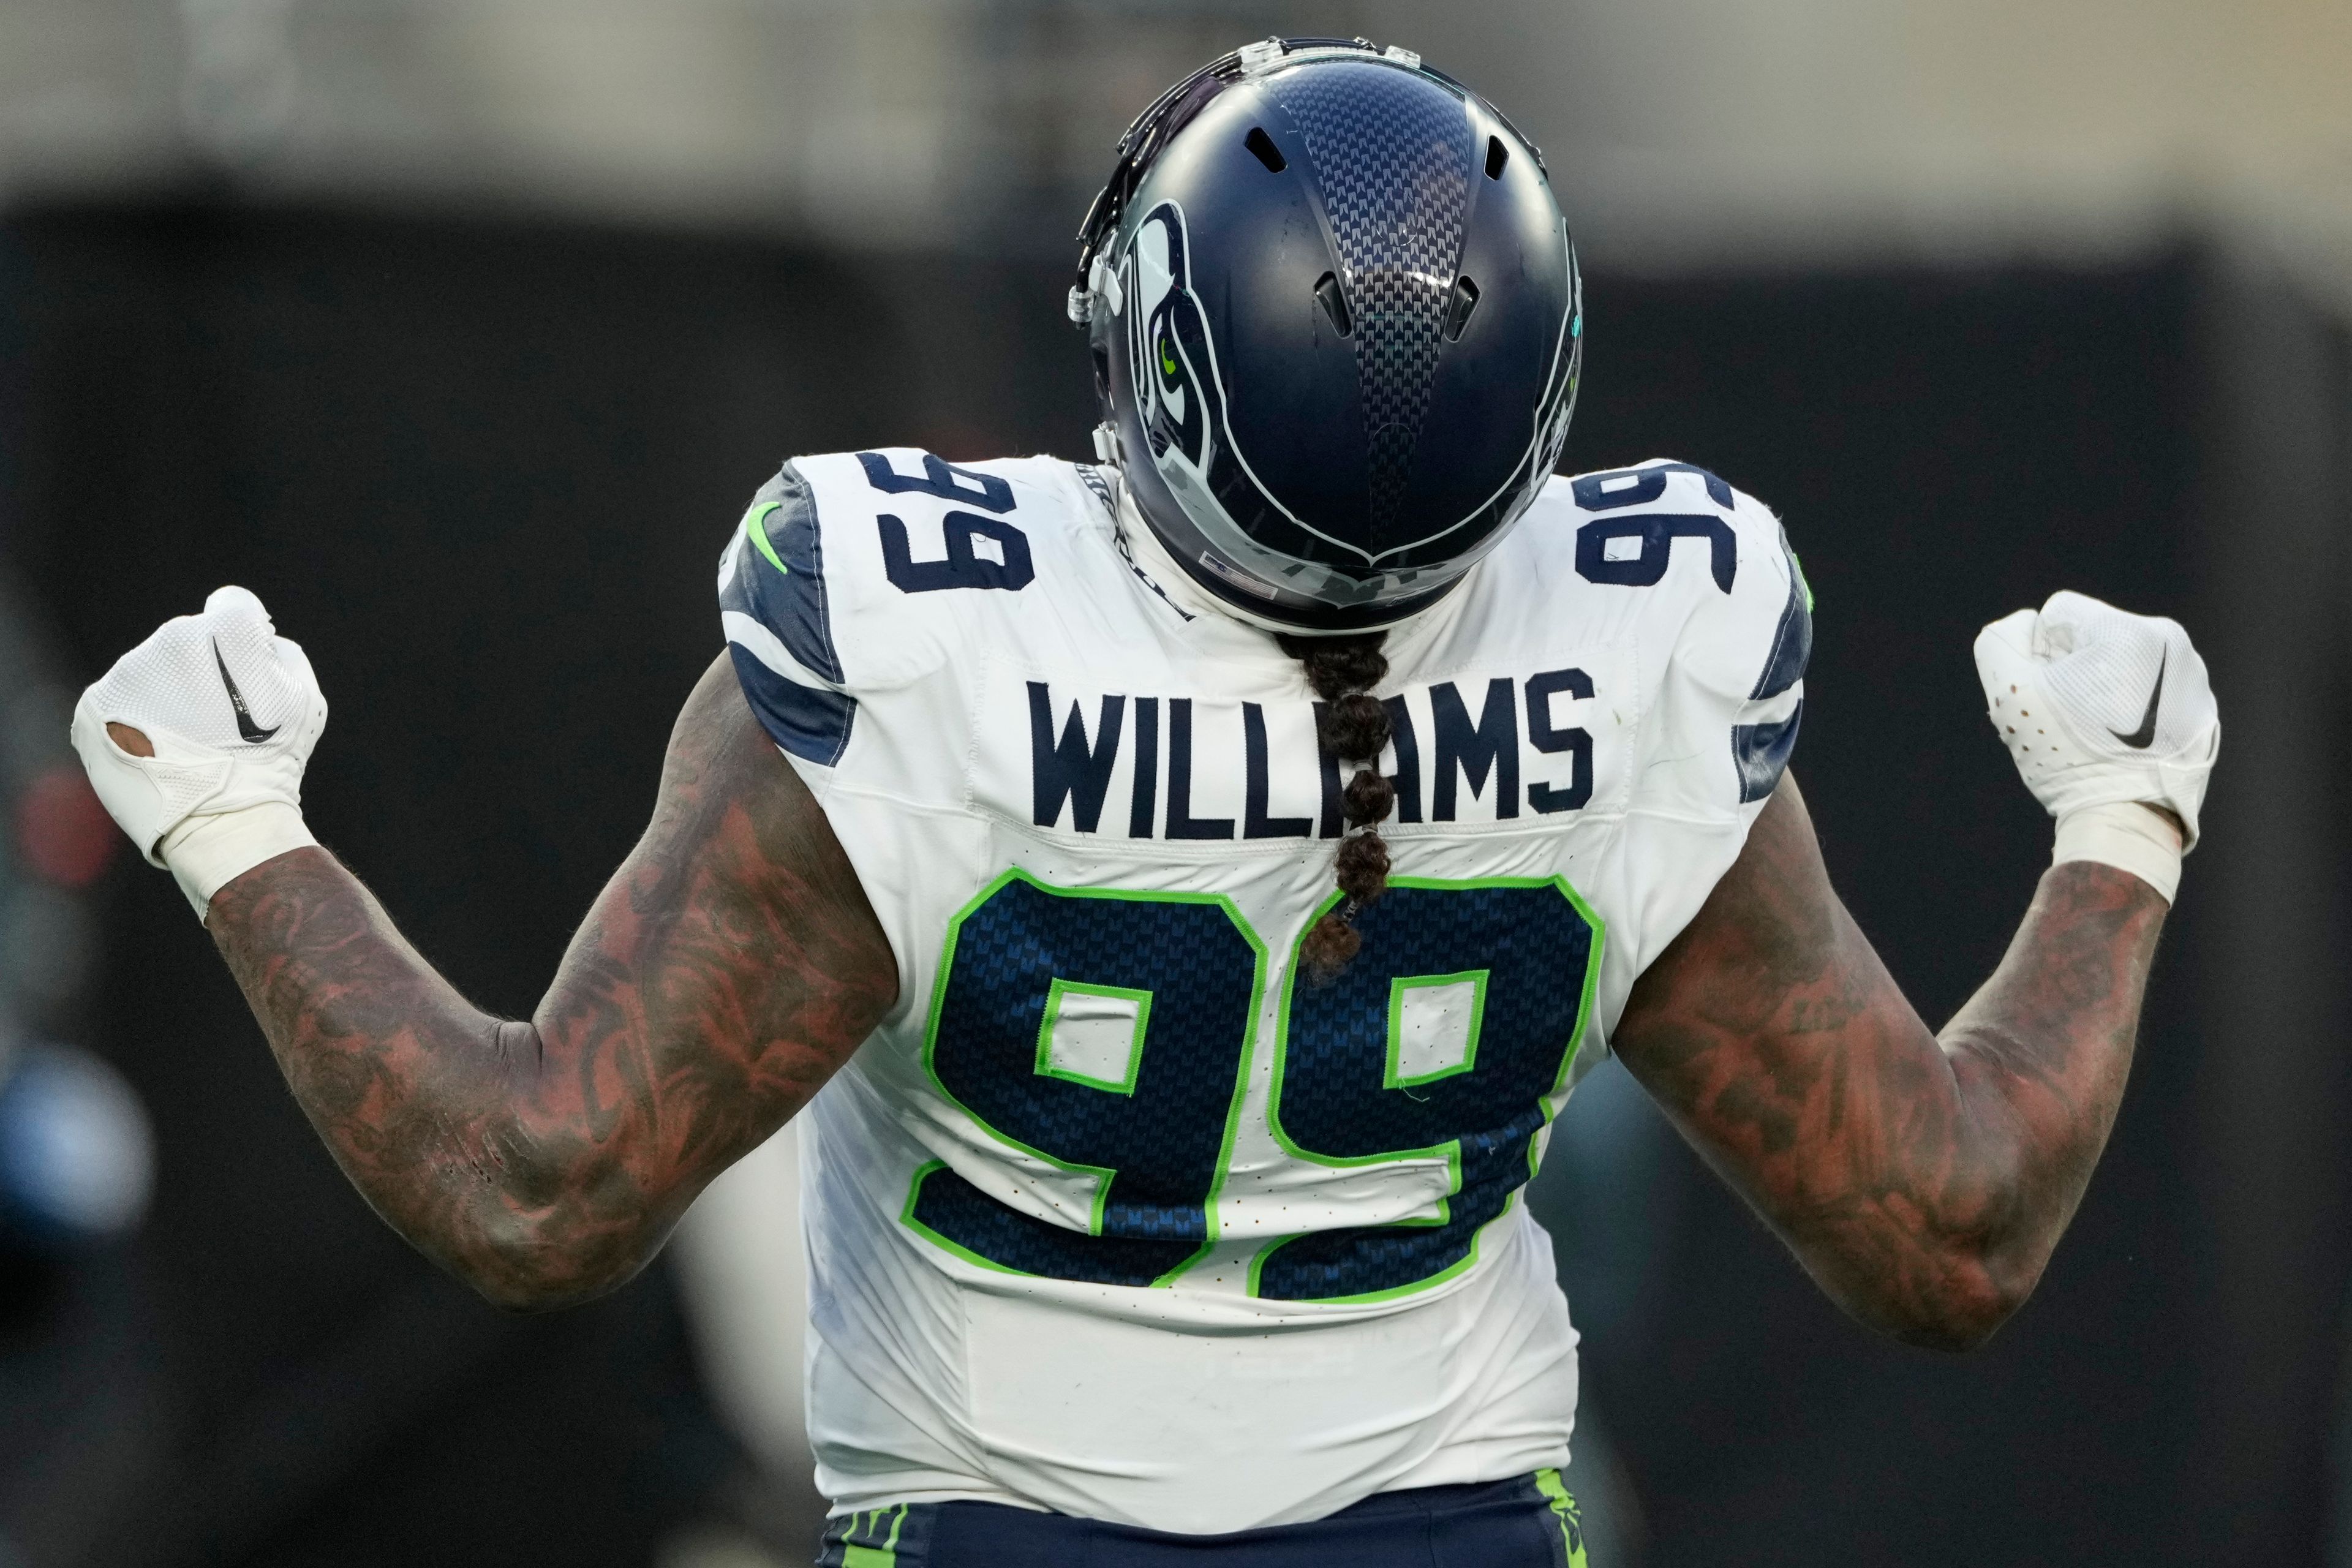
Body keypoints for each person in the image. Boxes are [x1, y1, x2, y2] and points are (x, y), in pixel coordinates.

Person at [66, 37, 2218, 1568]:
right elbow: (1953, 1227)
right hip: (1459, 1532)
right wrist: (2124, 824)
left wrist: (238, 828)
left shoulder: (923, 638)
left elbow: (535, 1185)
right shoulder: (1644, 635)